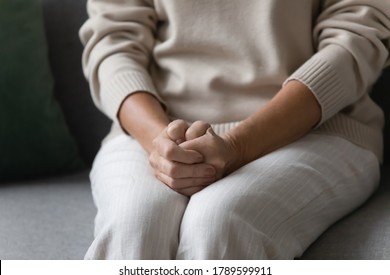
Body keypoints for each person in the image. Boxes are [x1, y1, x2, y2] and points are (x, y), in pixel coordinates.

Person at [79, 0, 390, 259]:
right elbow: (112, 41)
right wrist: (161, 144)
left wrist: (238, 145)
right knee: (135, 224)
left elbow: (357, 36)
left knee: (219, 220)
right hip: (148, 128)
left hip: (315, 127)